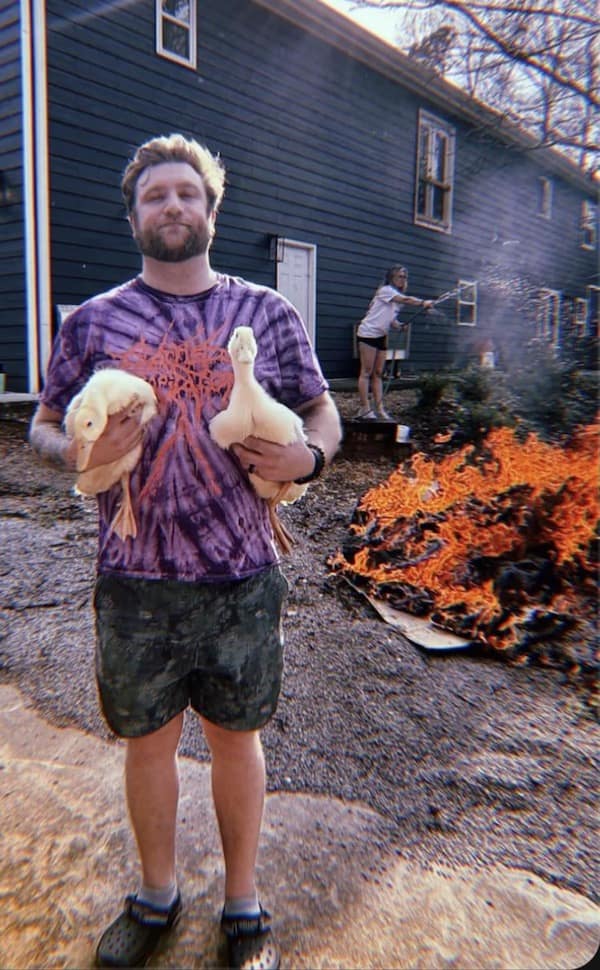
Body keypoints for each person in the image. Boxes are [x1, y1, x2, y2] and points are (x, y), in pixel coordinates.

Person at [29, 133, 342, 970]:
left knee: (237, 739)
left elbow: (322, 409)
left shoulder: (266, 312)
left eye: (186, 193)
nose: (171, 205)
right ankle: (156, 895)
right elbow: (44, 423)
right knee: (148, 743)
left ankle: (243, 906)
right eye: (154, 195)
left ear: (211, 209)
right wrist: (76, 452)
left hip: (243, 576)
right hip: (135, 581)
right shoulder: (93, 321)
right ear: (133, 216)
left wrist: (310, 458)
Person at [355, 265, 433, 420]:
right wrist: (423, 302)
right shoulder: (385, 290)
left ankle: (380, 409)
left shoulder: (396, 298)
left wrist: (399, 325)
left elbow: (390, 319)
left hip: (381, 336)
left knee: (378, 373)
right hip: (368, 333)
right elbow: (406, 299)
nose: (402, 279)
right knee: (366, 372)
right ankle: (365, 409)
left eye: (404, 277)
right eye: (399, 276)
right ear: (391, 278)